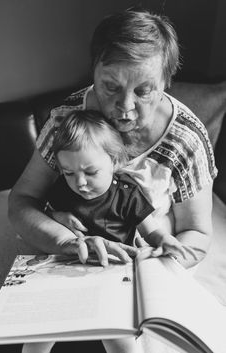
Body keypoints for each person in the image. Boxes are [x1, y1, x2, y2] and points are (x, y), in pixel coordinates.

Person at [8, 8, 217, 352]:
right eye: (111, 86)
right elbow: (22, 202)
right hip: (67, 254)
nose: (125, 107)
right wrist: (65, 242)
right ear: (93, 73)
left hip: (138, 266)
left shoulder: (186, 140)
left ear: (166, 82)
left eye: (144, 91)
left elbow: (197, 233)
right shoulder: (66, 121)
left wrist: (154, 260)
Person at [22, 109, 196, 353]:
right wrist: (57, 216)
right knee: (36, 335)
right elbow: (44, 214)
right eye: (69, 173)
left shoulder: (127, 194)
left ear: (115, 162)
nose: (79, 182)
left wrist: (165, 240)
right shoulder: (63, 189)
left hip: (113, 272)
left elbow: (151, 232)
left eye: (90, 172)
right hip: (66, 269)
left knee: (120, 340)